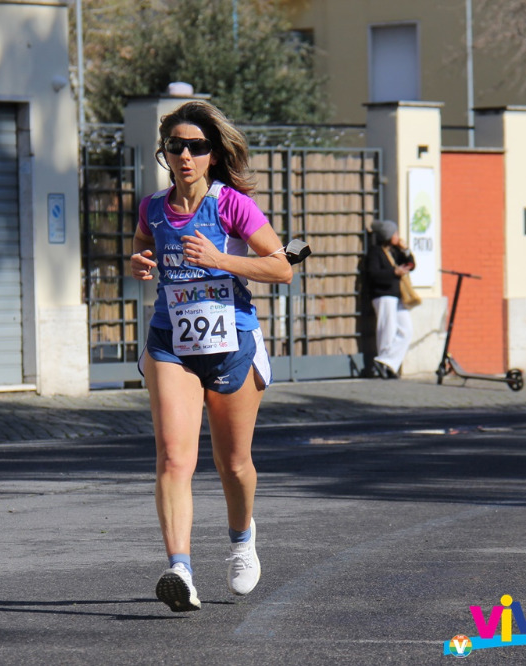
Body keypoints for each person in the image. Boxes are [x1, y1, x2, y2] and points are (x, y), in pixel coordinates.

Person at [129, 100, 293, 613]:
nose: (185, 155)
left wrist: (221, 259)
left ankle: (242, 540)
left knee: (234, 463)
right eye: (175, 146)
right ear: (165, 152)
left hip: (231, 344)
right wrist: (139, 263)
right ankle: (180, 569)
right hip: (171, 342)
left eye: (196, 147)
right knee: (174, 457)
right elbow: (143, 245)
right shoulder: (153, 208)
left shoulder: (231, 206)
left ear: (213, 156)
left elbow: (282, 267)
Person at [365, 219, 415, 379]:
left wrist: (405, 250)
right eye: (395, 234)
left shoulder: (395, 252)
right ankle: (385, 366)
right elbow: (373, 274)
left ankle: (387, 362)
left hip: (398, 297)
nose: (398, 236)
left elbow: (411, 265)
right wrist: (393, 273)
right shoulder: (376, 252)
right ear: (387, 236)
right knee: (387, 330)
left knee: (406, 330)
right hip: (383, 295)